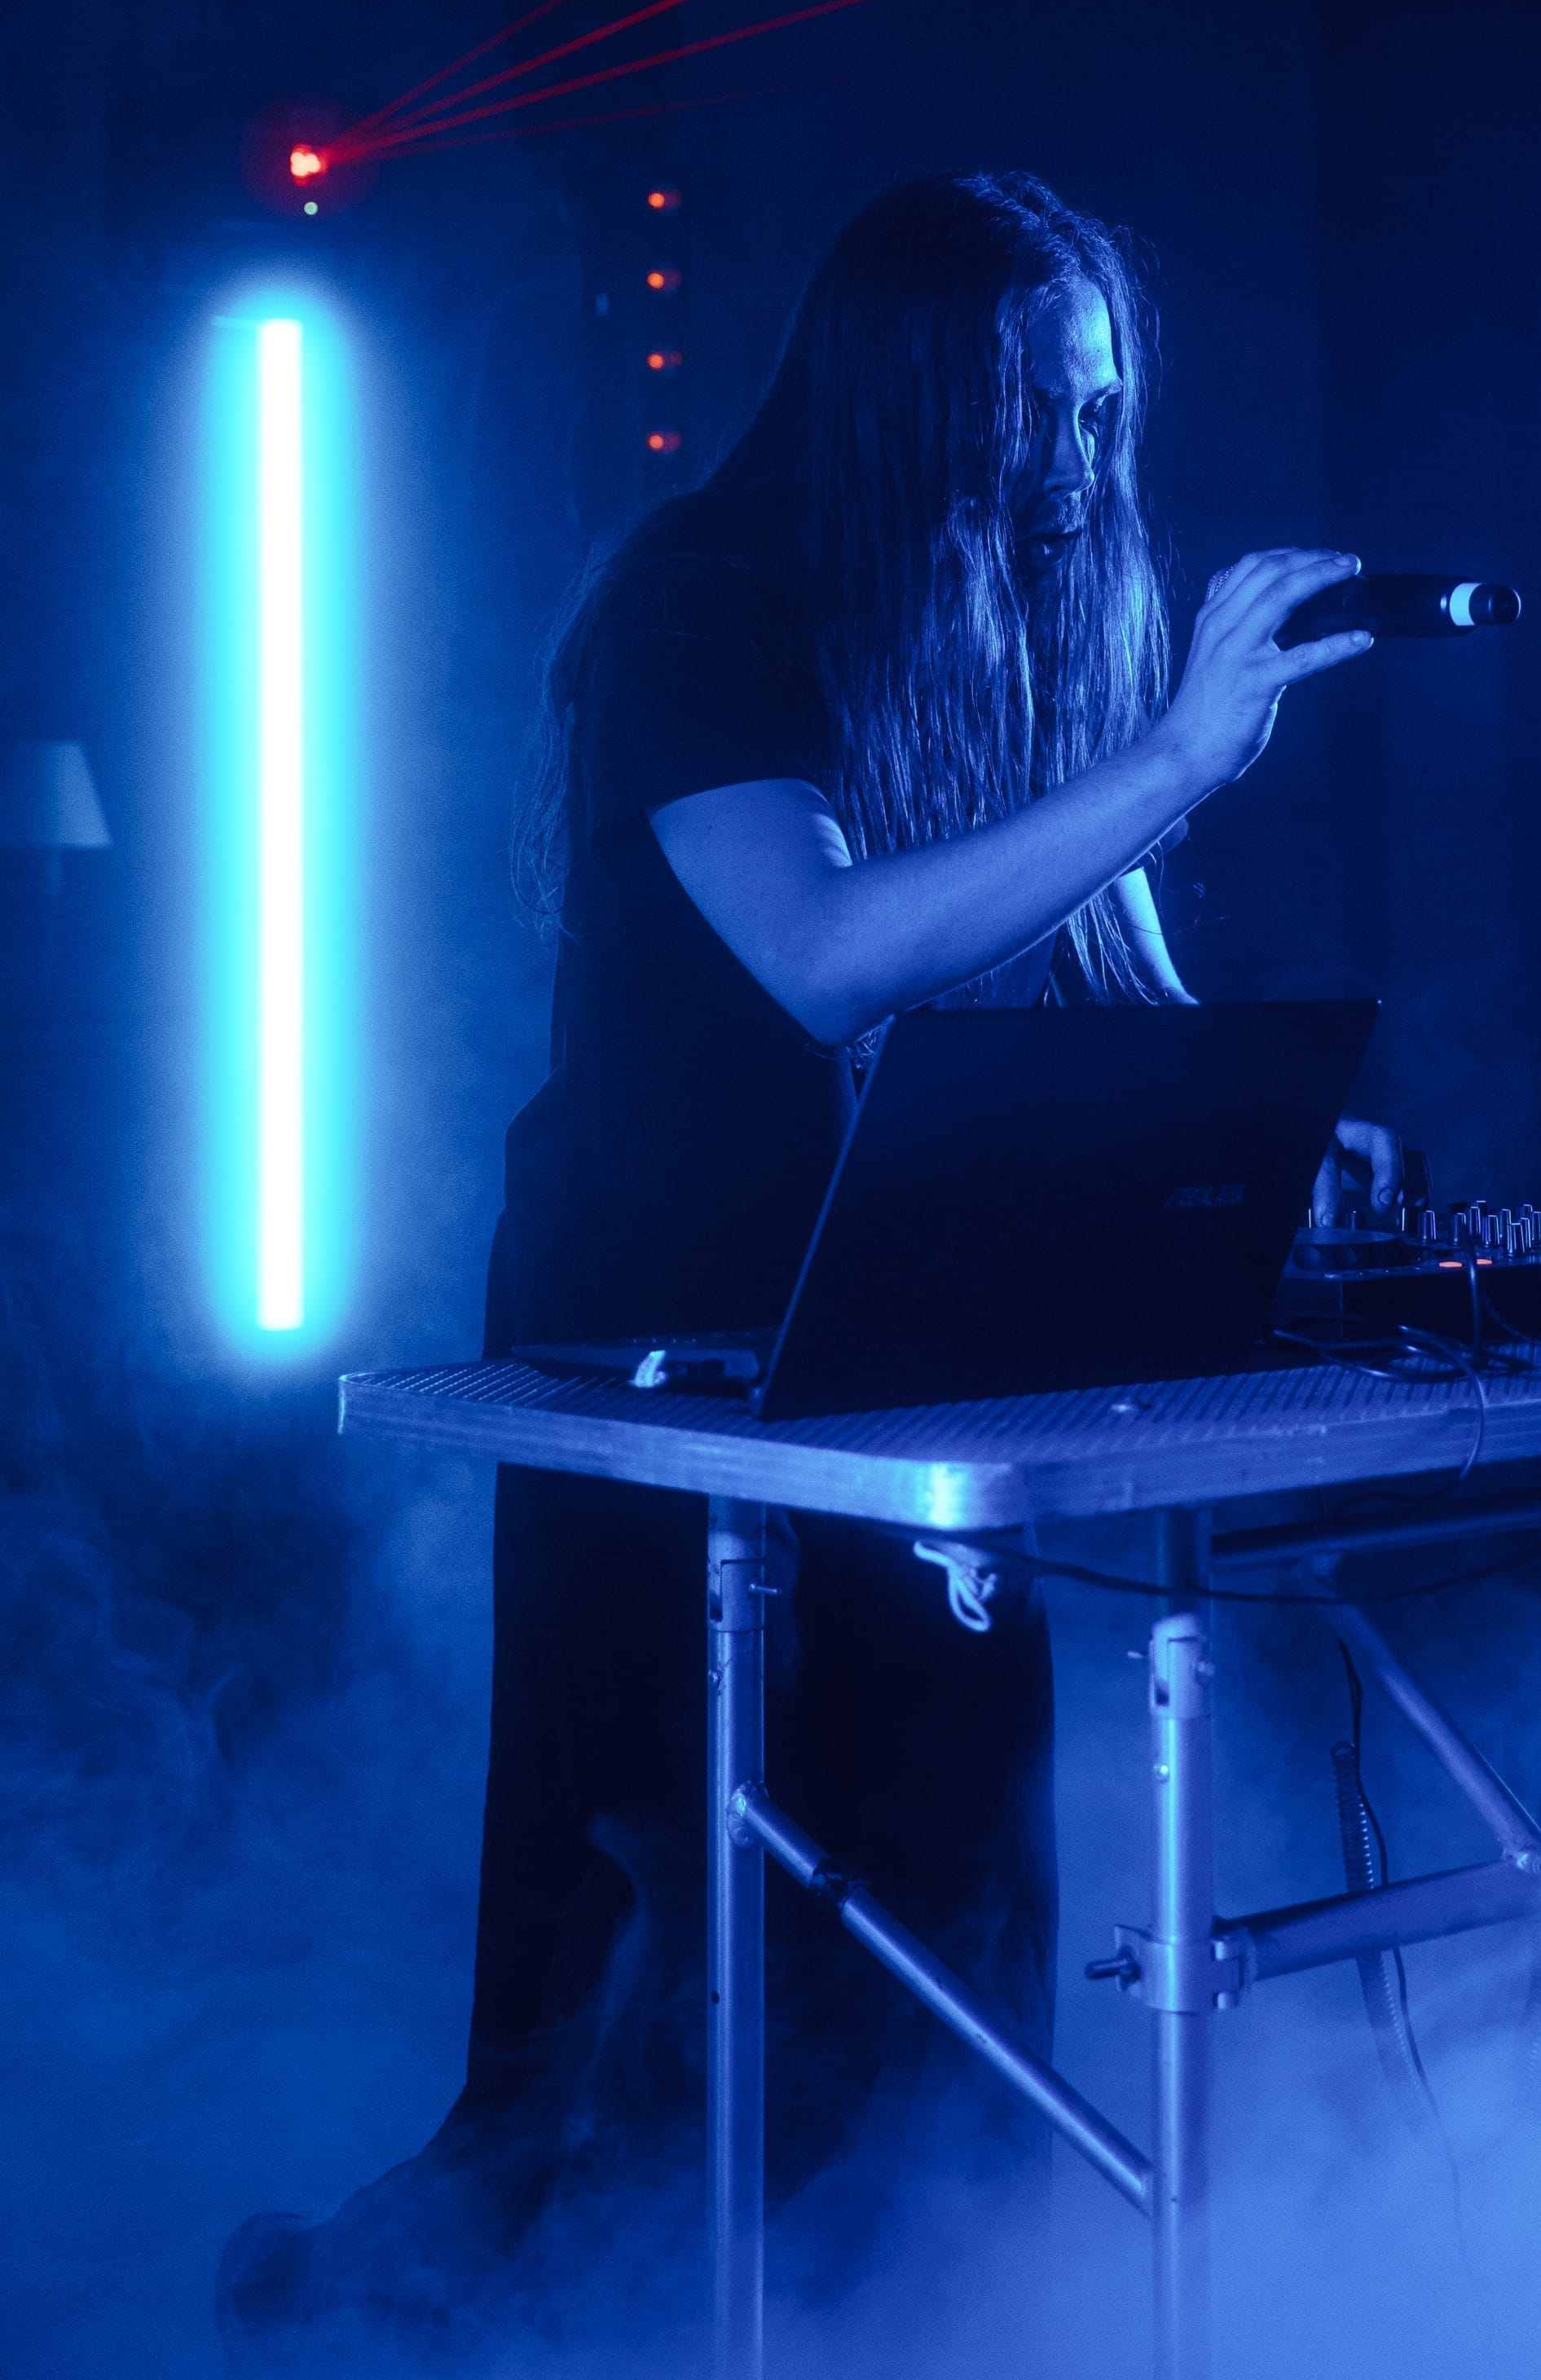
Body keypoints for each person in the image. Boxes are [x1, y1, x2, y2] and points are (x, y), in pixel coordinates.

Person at [219, 169, 1398, 2359]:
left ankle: (929, 2315)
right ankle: (368, 2314)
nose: (1080, 456)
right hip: (656, 1343)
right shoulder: (705, 597)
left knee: (956, 1901)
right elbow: (830, 952)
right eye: (1037, 406)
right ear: (912, 392)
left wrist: (1261, 1148)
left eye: (1104, 407)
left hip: (911, 1345)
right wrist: (1177, 759)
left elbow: (1091, 963)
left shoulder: (1029, 599)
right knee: (640, 1923)